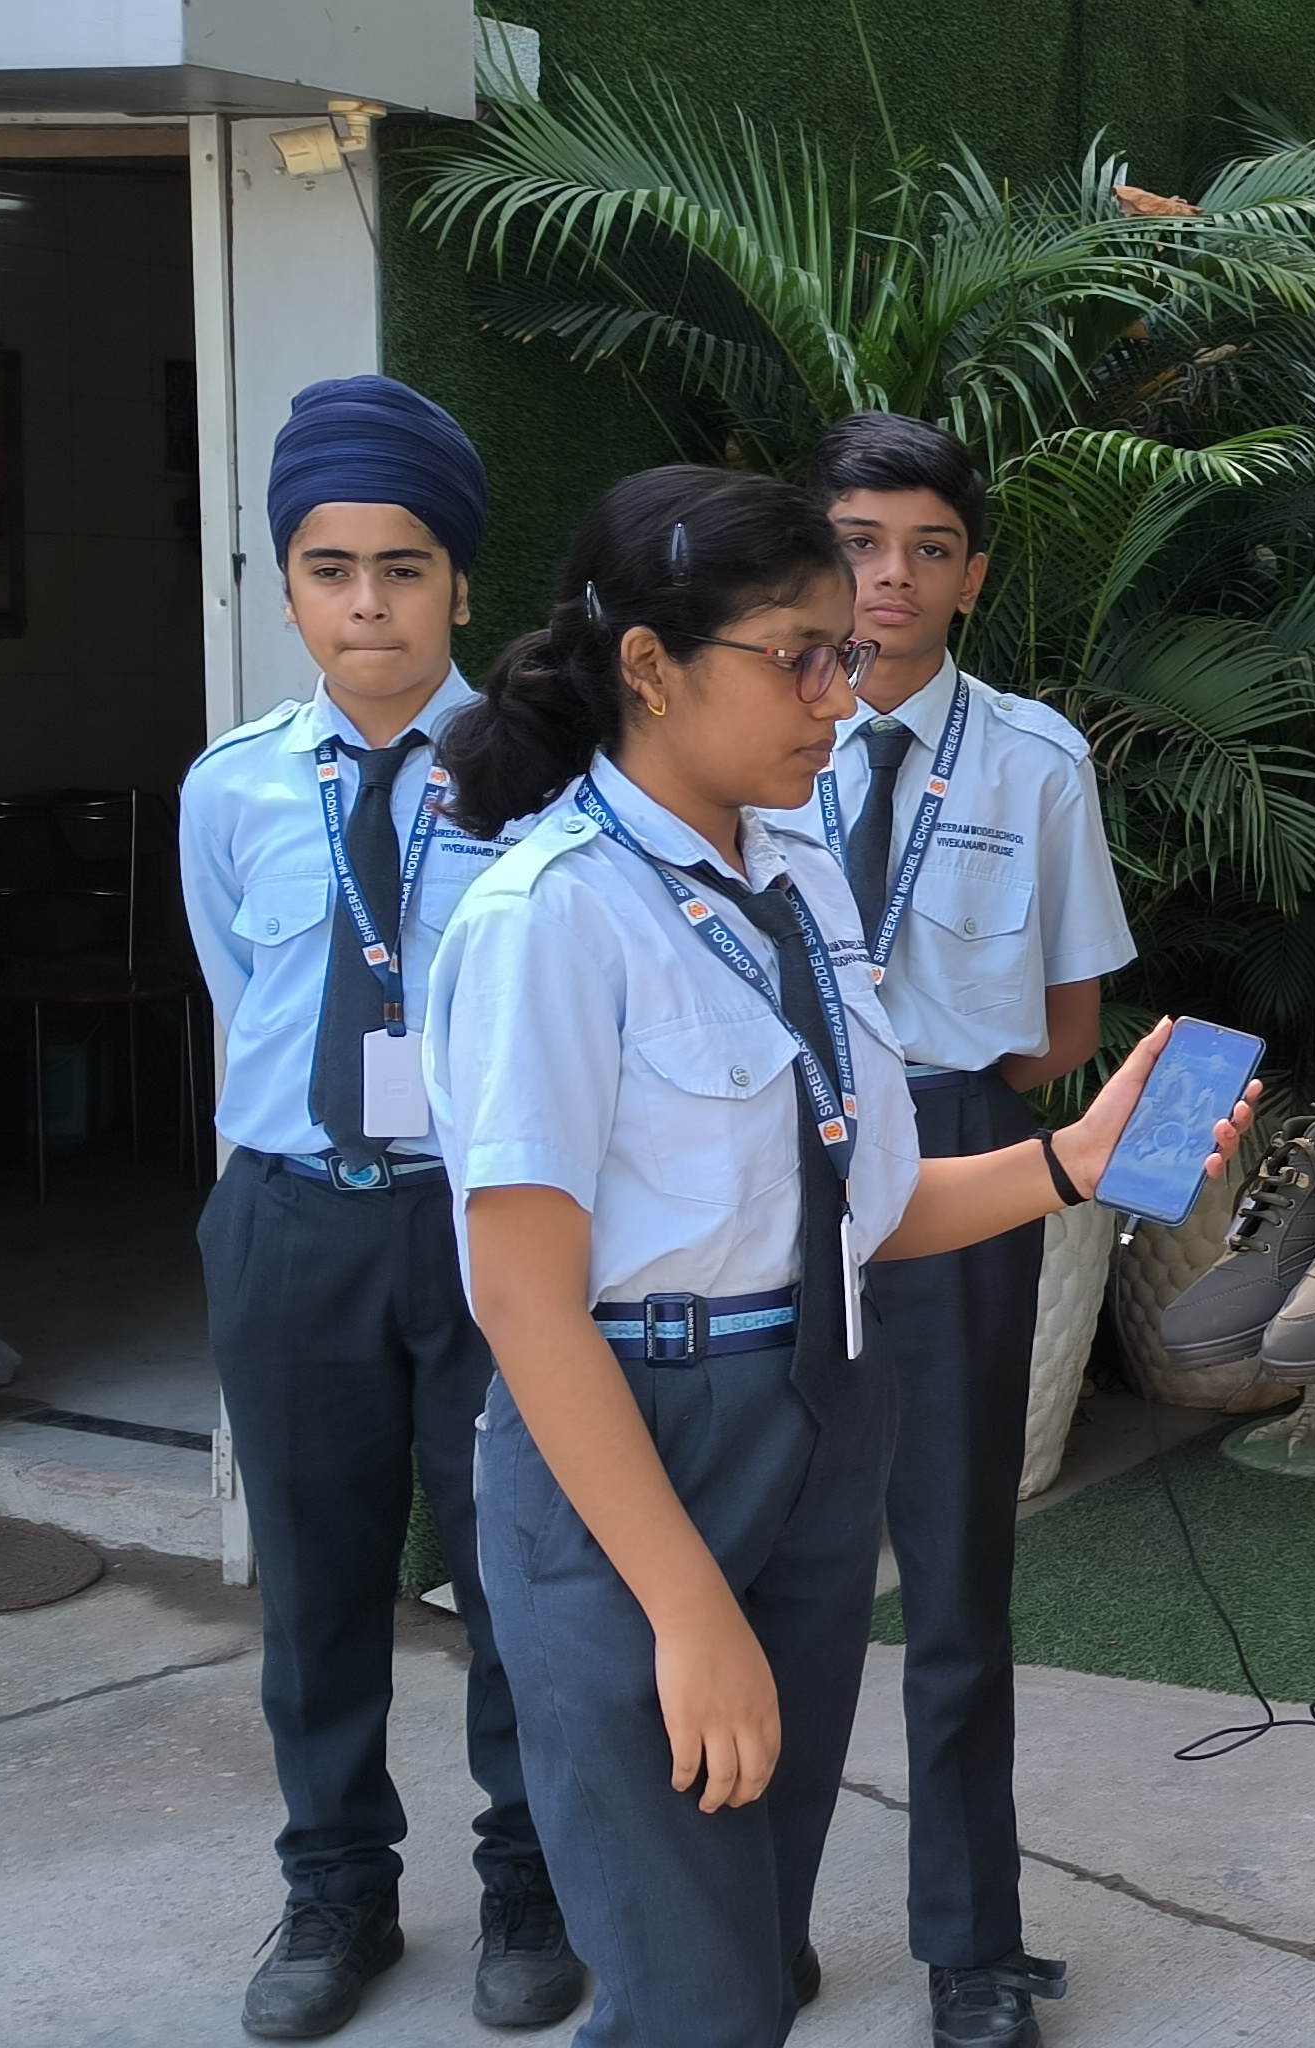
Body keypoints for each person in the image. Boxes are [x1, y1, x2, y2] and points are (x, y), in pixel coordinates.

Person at [419, 463, 1245, 2048]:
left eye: (841, 654)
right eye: (796, 654)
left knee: (731, 1969)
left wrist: (1073, 1160)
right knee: (699, 1994)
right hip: (633, 1458)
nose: (838, 687)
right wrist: (687, 1614)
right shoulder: (550, 919)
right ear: (650, 667)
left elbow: (864, 1205)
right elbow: (524, 1300)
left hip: (815, 1417)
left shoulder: (790, 878)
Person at [175, 373, 580, 2037]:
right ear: (286, 586)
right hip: (292, 1220)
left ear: (460, 585)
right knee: (319, 1580)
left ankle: (530, 1881)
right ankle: (335, 1893)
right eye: (330, 568)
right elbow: (244, 989)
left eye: (403, 567)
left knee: (515, 1575)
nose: (367, 603)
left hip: (487, 1230)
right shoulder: (231, 791)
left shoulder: (540, 782)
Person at [751, 413, 1133, 2048]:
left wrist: (932, 1086)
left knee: (961, 1571)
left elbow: (1064, 1027)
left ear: (973, 575)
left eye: (923, 549)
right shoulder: (744, 731)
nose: (885, 582)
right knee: (767, 1559)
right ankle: (749, 1926)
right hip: (763, 1166)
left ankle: (971, 1942)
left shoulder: (1036, 760)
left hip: (962, 1148)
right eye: (853, 545)